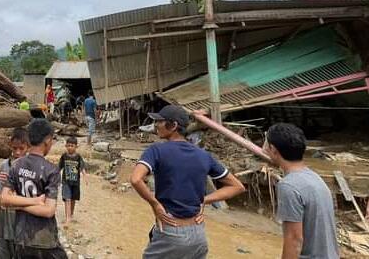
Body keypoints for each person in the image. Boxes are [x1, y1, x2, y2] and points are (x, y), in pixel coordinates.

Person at [130, 105, 245, 259]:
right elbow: (237, 186)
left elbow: (136, 179)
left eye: (160, 121)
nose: (156, 125)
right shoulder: (203, 155)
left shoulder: (156, 150)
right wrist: (204, 201)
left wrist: (155, 204)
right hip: (198, 234)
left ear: (173, 126)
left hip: (171, 232)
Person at [263, 123, 339, 259]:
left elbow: (294, 240)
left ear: (273, 149)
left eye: (265, 143)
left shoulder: (289, 186)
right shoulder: (313, 177)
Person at [0, 118, 67, 259]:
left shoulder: (16, 166)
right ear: (48, 141)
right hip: (44, 239)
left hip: (21, 237)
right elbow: (48, 211)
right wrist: (36, 201)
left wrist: (18, 205)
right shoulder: (51, 170)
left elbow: (5, 199)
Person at [0, 127, 30, 259]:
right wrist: (1, 198)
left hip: (23, 224)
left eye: (21, 149)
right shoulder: (4, 166)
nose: (17, 152)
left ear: (28, 148)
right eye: (14, 149)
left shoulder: (32, 169)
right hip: (3, 221)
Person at [58, 136, 87, 223]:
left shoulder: (78, 157)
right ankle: (67, 218)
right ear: (66, 146)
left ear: (76, 147)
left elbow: (82, 167)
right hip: (66, 181)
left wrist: (85, 176)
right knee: (67, 198)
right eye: (68, 145)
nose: (70, 147)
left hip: (75, 182)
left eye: (72, 146)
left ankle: (71, 214)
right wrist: (55, 176)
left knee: (73, 199)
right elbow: (59, 167)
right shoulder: (64, 156)